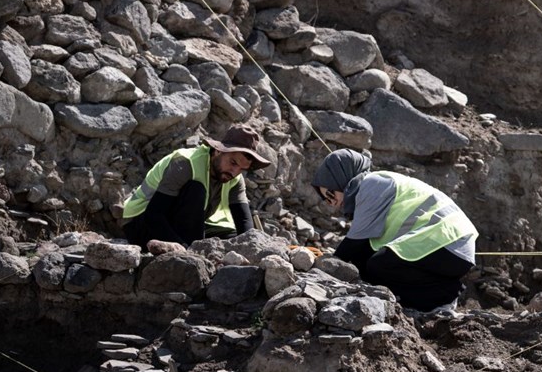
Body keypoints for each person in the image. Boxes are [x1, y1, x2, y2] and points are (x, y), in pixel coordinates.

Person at [312, 148, 478, 313]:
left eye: (331, 194)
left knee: (379, 265)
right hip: (449, 245)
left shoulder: (372, 183)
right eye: (326, 200)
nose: (331, 203)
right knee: (368, 266)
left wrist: (322, 269)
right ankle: (425, 300)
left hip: (447, 242)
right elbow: (360, 252)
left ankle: (444, 295)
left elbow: (353, 244)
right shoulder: (375, 185)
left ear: (340, 178)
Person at [122, 124, 272, 254]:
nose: (234, 172)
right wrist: (186, 249)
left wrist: (252, 250)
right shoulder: (185, 163)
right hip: (140, 223)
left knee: (232, 239)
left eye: (242, 169)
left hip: (182, 226)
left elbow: (244, 221)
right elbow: (153, 215)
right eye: (233, 162)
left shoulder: (234, 179)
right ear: (218, 150)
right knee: (196, 190)